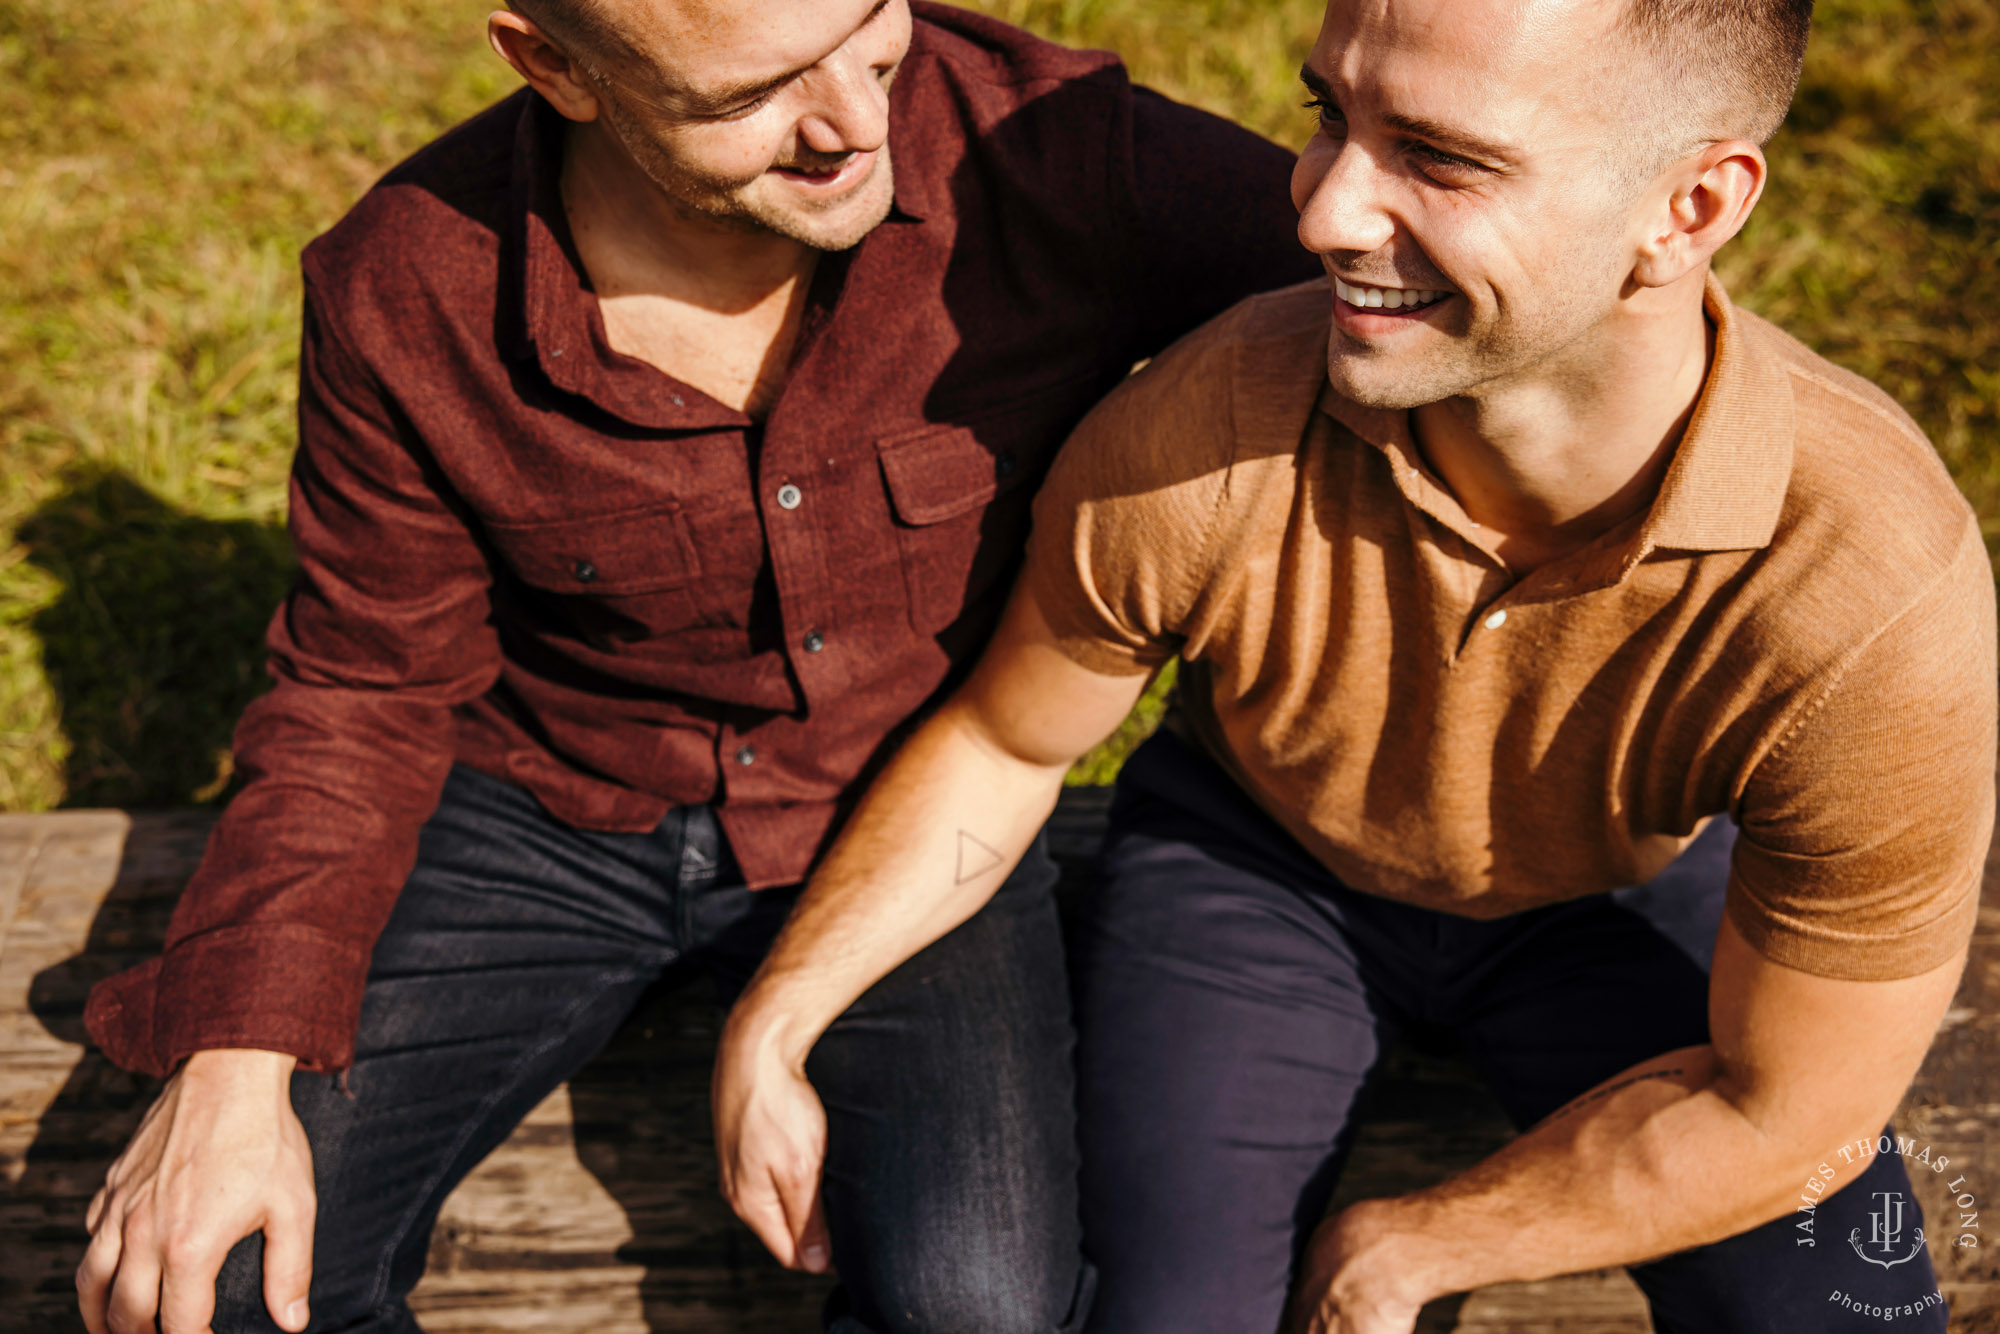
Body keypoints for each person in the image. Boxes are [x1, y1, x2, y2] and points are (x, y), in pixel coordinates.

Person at [711, 0, 1996, 1331]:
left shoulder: (1870, 595)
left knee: (1847, 1314)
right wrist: (782, 1010)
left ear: (1690, 205)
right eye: (1331, 113)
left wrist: (1421, 1244)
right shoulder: (1202, 432)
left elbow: (1792, 1104)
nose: (1321, 212)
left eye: (1440, 156)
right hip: (1259, 872)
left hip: (1617, 886)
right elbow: (1012, 743)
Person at [72, 1, 1319, 1330]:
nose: (854, 121)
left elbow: (1390, 287)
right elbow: (359, 687)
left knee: (982, 1306)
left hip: (904, 804)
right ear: (555, 66)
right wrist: (232, 1065)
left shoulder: (1050, 151)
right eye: (752, 95)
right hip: (539, 802)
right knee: (223, 1281)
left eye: (871, 29)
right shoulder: (409, 286)